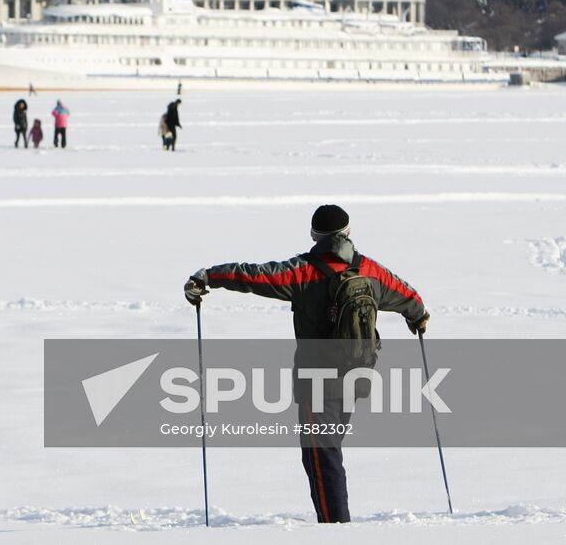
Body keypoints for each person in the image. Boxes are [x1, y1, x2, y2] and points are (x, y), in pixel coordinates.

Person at [183, 205, 429, 524]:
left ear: (314, 235)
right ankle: (332, 523)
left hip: (318, 379)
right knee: (326, 449)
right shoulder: (370, 270)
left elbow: (253, 275)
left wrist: (208, 277)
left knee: (321, 454)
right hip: (358, 373)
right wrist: (418, 317)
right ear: (349, 233)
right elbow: (408, 296)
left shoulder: (303, 271)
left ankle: (335, 529)